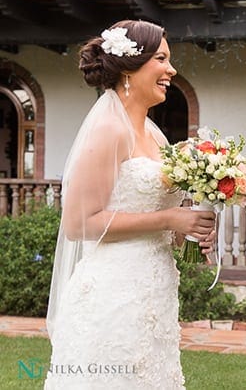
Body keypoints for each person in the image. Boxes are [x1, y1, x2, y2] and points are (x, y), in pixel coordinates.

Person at [45, 20, 216, 389]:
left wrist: (187, 231)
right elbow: (80, 223)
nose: (171, 69)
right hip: (113, 296)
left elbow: (151, 214)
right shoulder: (109, 130)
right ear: (129, 68)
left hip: (154, 294)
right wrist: (169, 217)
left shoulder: (154, 136)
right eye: (161, 59)